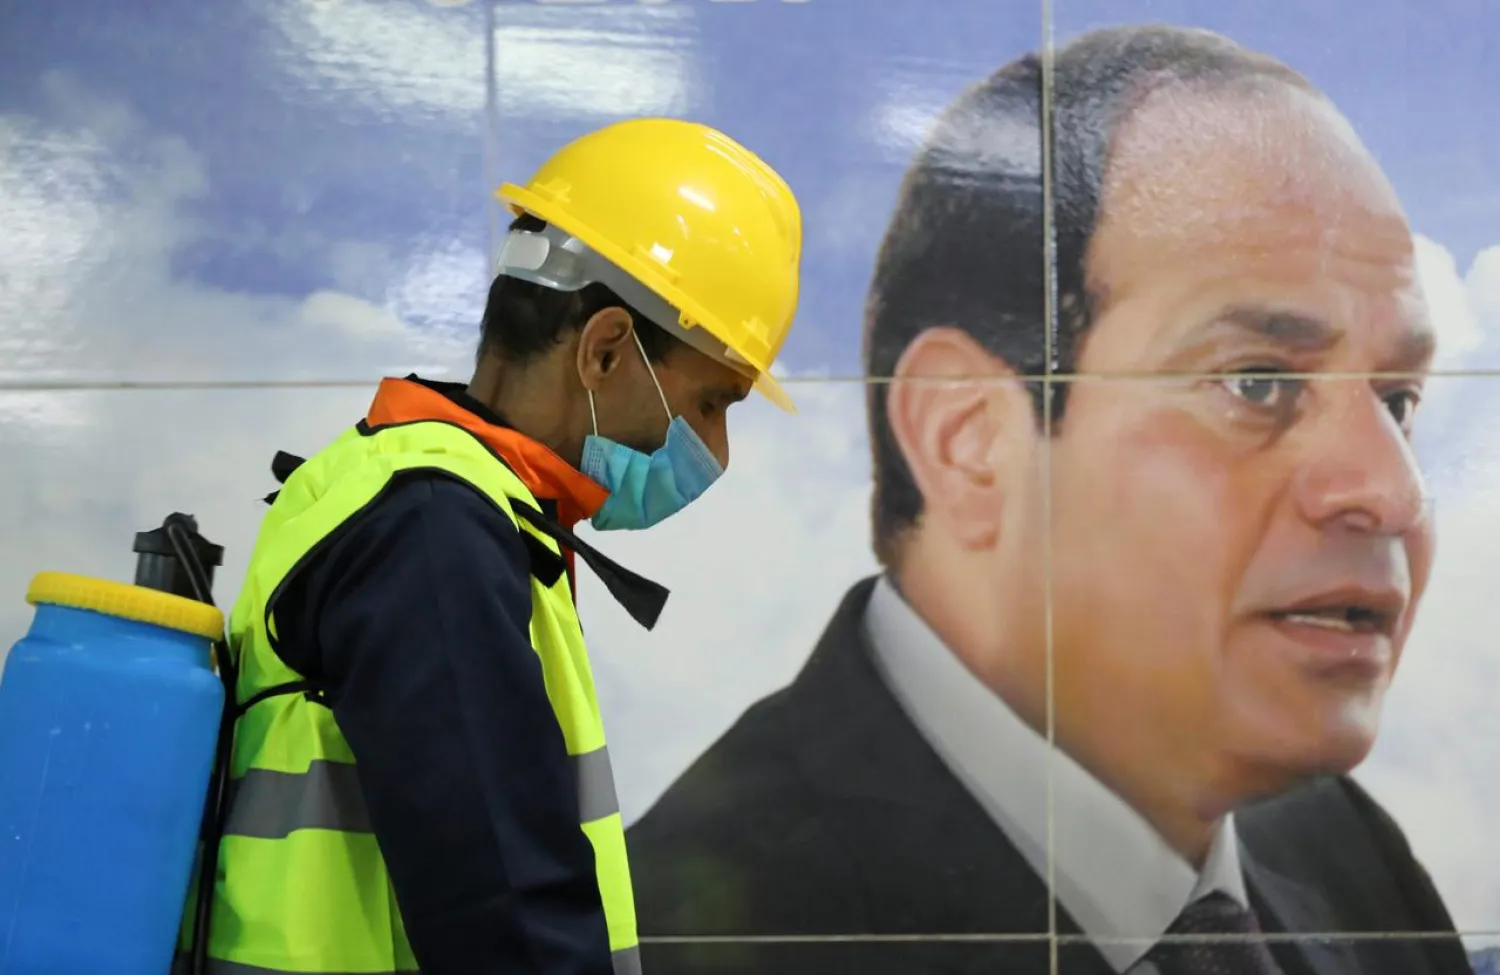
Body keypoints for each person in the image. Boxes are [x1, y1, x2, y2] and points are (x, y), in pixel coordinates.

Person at [626, 26, 1474, 975]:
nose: (1393, 490)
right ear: (969, 441)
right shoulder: (698, 936)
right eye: (1259, 383)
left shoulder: (1344, 850)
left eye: (1398, 401)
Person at [181, 118, 803, 975]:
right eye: (714, 403)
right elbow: (508, 914)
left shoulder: (418, 493)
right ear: (607, 349)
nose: (718, 452)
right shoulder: (436, 529)